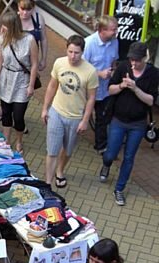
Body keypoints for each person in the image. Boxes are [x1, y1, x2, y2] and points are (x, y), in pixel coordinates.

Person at [99, 42, 158, 206]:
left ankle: (119, 189)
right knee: (111, 152)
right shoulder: (123, 67)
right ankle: (106, 164)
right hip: (118, 119)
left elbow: (151, 100)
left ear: (145, 58)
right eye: (132, 59)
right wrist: (122, 85)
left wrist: (135, 88)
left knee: (129, 157)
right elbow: (110, 89)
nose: (133, 63)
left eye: (137, 60)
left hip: (138, 124)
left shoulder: (153, 74)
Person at [41, 35, 98, 188]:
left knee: (67, 150)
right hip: (56, 113)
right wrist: (45, 108)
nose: (73, 56)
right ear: (66, 50)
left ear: (82, 52)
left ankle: (60, 171)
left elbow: (91, 98)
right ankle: (48, 183)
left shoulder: (91, 72)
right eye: (70, 52)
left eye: (77, 53)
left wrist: (85, 120)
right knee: (52, 150)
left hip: (75, 118)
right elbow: (52, 86)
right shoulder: (59, 63)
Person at [0, 11, 38, 154]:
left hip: (21, 80)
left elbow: (34, 64)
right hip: (6, 78)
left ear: (12, 26)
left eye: (5, 26)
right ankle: (6, 140)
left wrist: (31, 85)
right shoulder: (3, 38)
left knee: (18, 116)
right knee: (6, 113)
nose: (2, 29)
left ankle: (19, 141)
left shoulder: (29, 40)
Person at [83, 15, 119, 154]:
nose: (116, 32)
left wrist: (113, 72)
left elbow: (114, 61)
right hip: (88, 90)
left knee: (102, 117)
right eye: (113, 29)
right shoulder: (89, 43)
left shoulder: (115, 42)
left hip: (105, 89)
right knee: (80, 113)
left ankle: (101, 145)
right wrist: (99, 73)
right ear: (102, 30)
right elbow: (82, 67)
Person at [17, 0, 48, 71]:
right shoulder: (13, 19)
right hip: (15, 60)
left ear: (33, 8)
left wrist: (43, 59)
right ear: (18, 6)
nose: (25, 13)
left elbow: (43, 39)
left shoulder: (38, 19)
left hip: (32, 60)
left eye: (28, 10)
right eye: (22, 9)